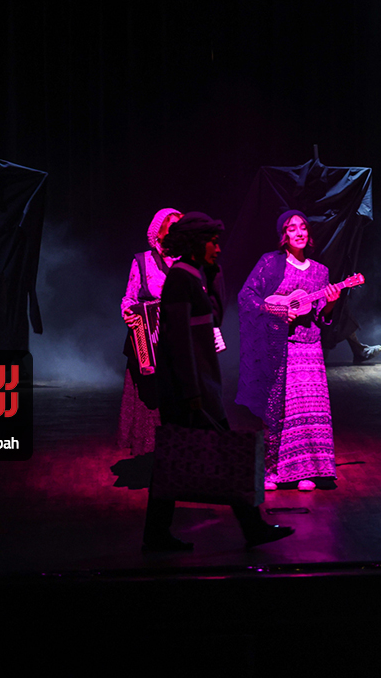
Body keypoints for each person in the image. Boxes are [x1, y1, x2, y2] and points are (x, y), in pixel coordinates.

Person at [142, 212, 293, 552]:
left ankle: (159, 534)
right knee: (190, 457)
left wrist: (214, 273)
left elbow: (215, 317)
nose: (218, 248)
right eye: (212, 242)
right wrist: (191, 391)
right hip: (189, 388)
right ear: (196, 243)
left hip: (200, 383)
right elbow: (177, 340)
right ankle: (250, 528)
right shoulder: (179, 278)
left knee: (180, 458)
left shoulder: (196, 274)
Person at [237, 211, 341, 491]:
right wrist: (277, 310)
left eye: (303, 227)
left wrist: (330, 304)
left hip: (310, 348)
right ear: (283, 235)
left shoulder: (320, 271)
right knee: (279, 409)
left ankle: (306, 470)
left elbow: (320, 316)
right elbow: (247, 297)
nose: (299, 232)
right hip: (279, 347)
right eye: (291, 228)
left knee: (308, 411)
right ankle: (273, 471)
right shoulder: (270, 263)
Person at [118, 207, 180, 455]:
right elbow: (129, 298)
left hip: (177, 338)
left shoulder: (188, 261)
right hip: (147, 338)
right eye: (172, 227)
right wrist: (128, 313)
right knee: (150, 398)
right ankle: (149, 453)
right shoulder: (142, 261)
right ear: (159, 232)